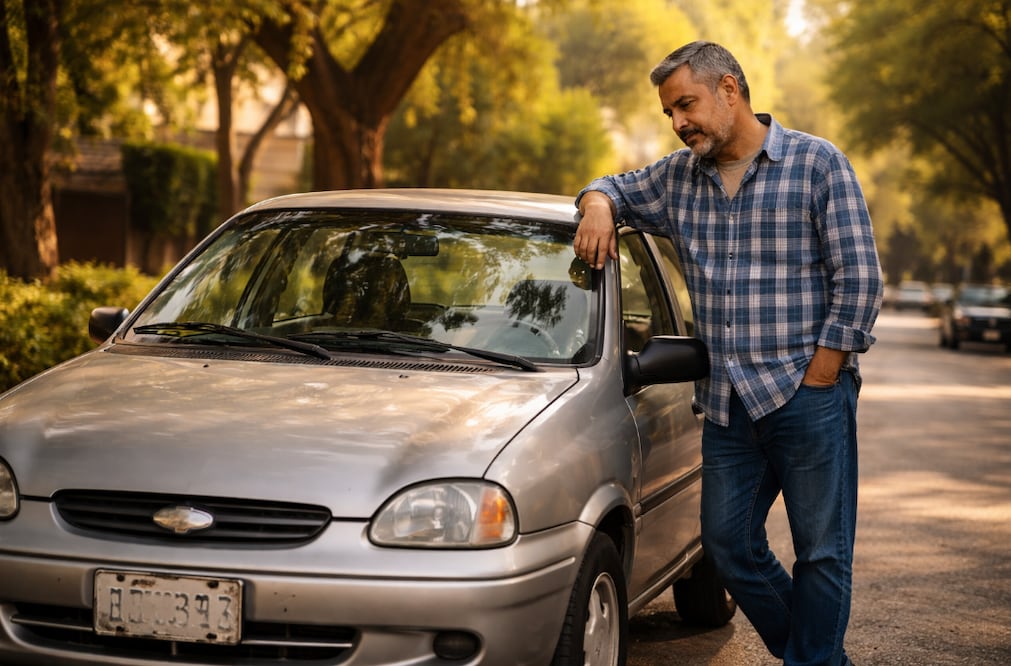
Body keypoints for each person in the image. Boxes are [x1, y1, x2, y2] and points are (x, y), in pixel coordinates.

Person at [574, 41, 883, 666]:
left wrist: (822, 373)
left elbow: (860, 279)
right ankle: (818, 658)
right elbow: (608, 184)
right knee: (727, 543)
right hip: (725, 405)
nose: (679, 121)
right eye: (669, 112)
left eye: (686, 104)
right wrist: (599, 204)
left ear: (730, 91)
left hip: (808, 396)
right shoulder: (675, 179)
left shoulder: (817, 164)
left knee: (822, 549)